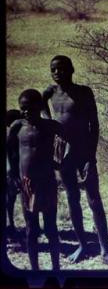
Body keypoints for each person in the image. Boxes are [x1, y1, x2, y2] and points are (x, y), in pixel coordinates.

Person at [41, 55, 108, 267]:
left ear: (71, 69)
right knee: (72, 198)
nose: (57, 72)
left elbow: (93, 125)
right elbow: (42, 114)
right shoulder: (49, 93)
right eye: (54, 69)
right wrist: (52, 130)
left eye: (62, 68)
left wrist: (91, 157)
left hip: (84, 149)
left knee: (94, 199)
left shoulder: (84, 92)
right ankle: (83, 246)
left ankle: (105, 251)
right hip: (63, 152)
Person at [7, 90, 62, 270]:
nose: (26, 112)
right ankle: (35, 269)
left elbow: (69, 140)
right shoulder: (17, 127)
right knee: (31, 228)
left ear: (39, 107)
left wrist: (61, 160)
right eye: (23, 109)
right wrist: (14, 175)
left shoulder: (50, 126)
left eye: (31, 108)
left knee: (51, 227)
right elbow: (12, 153)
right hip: (27, 185)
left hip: (47, 182)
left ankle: (56, 268)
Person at [6, 109, 22, 235]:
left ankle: (11, 224)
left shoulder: (18, 135)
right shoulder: (11, 136)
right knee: (10, 199)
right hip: (11, 171)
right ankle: (10, 224)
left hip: (16, 171)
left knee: (12, 199)